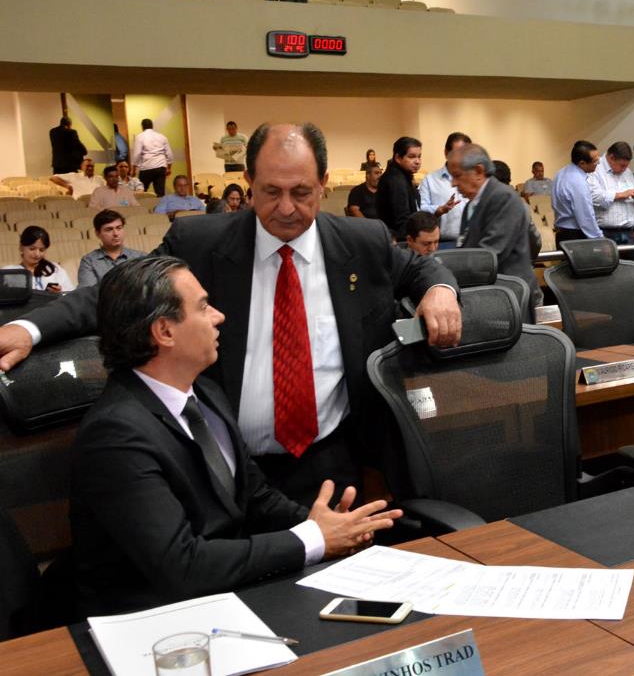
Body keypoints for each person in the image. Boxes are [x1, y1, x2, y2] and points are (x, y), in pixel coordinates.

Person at [0, 122, 460, 506]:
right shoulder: (200, 244)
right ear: (248, 179)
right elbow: (119, 293)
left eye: (302, 192)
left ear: (323, 183)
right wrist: (30, 327)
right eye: (270, 191)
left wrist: (439, 291)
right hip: (224, 466)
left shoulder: (363, 241)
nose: (286, 208)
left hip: (332, 462)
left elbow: (421, 268)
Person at [71, 256, 402, 617]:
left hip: (232, 593)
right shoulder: (115, 434)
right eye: (203, 307)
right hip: (154, 619)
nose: (218, 316)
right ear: (164, 331)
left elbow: (255, 498)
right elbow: (181, 565)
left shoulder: (206, 394)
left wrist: (328, 525)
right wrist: (312, 539)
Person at [452, 144, 543, 307]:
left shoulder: (504, 197)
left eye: (457, 176)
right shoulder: (471, 205)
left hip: (510, 298)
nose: (453, 183)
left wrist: (447, 268)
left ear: (479, 171)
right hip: (488, 295)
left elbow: (490, 255)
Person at [419, 132, 471, 248]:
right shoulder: (430, 180)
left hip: (471, 243)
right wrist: (439, 209)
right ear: (446, 153)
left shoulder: (474, 178)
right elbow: (420, 209)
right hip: (442, 244)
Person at [588, 141, 634, 245]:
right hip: (605, 233)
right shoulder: (595, 169)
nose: (625, 169)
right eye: (622, 165)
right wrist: (622, 194)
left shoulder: (628, 172)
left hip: (629, 232)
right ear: (611, 157)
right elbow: (594, 197)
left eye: (626, 165)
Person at [77, 210, 147, 288]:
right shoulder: (89, 261)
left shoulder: (141, 257)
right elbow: (87, 292)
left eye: (119, 228)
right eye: (109, 229)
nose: (116, 234)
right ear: (97, 234)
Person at [552, 140, 602, 246]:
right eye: (595, 161)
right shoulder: (578, 181)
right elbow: (585, 216)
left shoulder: (560, 173)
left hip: (561, 234)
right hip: (576, 236)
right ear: (582, 163)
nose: (598, 164)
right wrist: (599, 239)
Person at [376, 136, 422, 240]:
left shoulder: (402, 176)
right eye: (411, 157)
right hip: (400, 241)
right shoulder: (396, 180)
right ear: (398, 158)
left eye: (419, 156)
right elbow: (402, 220)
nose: (417, 161)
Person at [3, 227, 74, 293]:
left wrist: (59, 292)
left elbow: (71, 294)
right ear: (21, 247)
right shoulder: (9, 272)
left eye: (41, 250)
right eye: (32, 249)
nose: (37, 254)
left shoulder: (55, 269)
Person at [132, 118, 173, 196]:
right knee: (160, 193)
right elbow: (169, 154)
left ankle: (143, 204)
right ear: (152, 126)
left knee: (141, 191)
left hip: (146, 167)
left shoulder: (140, 137)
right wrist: (169, 168)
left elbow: (137, 154)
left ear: (142, 127)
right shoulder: (162, 137)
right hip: (160, 167)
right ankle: (160, 203)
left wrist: (133, 169)